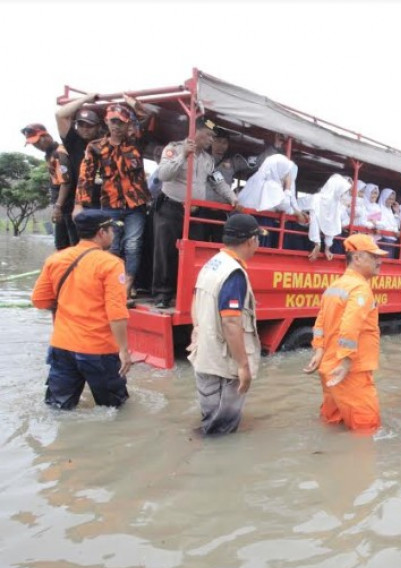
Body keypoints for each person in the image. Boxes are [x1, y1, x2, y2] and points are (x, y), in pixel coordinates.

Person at [30, 210, 131, 410]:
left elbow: (39, 300)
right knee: (115, 409)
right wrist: (124, 351)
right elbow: (116, 314)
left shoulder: (56, 259)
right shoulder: (111, 264)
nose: (113, 234)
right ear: (101, 232)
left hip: (62, 347)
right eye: (111, 230)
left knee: (58, 409)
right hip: (99, 350)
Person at [303, 234, 388, 432]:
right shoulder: (360, 288)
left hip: (330, 367)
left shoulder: (335, 286)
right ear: (357, 258)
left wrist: (318, 352)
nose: (380, 261)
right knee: (366, 428)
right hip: (350, 371)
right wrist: (347, 361)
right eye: (374, 256)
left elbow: (320, 322)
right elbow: (350, 326)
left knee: (332, 422)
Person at [187, 214, 263, 435]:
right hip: (223, 365)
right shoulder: (233, 273)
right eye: (258, 239)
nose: (258, 244)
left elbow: (195, 300)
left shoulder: (212, 264)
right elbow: (230, 322)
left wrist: (197, 329)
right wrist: (243, 365)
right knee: (223, 430)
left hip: (206, 356)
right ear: (250, 240)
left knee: (210, 422)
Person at [153, 118, 240, 308]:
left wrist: (232, 197)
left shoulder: (207, 160)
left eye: (213, 137)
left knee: (193, 254)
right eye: (208, 135)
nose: (211, 140)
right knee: (166, 251)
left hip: (194, 213)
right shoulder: (174, 149)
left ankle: (185, 294)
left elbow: (217, 182)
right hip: (171, 207)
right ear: (196, 132)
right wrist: (183, 155)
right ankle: (162, 295)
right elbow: (163, 174)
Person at [76, 101, 152, 301]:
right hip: (110, 203)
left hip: (136, 204)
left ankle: (127, 284)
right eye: (113, 122)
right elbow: (86, 176)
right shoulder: (95, 147)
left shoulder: (136, 141)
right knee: (112, 245)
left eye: (121, 122)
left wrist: (134, 104)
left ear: (128, 124)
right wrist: (79, 204)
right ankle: (111, 282)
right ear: (106, 122)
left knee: (133, 245)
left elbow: (147, 119)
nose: (117, 126)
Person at [20, 123, 75, 249]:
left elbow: (66, 183)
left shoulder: (58, 153)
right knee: (61, 245)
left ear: (47, 137)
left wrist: (58, 207)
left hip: (68, 207)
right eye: (33, 144)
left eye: (38, 141)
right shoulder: (49, 154)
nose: (36, 146)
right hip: (62, 207)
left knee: (71, 245)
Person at [56, 92, 103, 211]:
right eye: (81, 125)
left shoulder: (106, 141)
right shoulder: (74, 142)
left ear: (98, 127)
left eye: (89, 125)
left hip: (108, 202)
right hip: (84, 204)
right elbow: (59, 115)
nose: (85, 129)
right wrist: (85, 99)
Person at [307, 174, 352, 261]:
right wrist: (317, 244)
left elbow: (331, 224)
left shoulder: (336, 203)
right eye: (343, 190)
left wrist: (327, 248)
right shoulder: (317, 199)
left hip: (321, 241)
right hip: (311, 238)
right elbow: (314, 221)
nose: (344, 193)